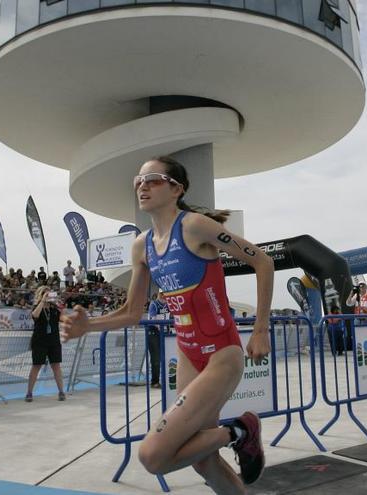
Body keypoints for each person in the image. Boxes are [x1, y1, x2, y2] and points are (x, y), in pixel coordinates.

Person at [61, 156, 272, 492]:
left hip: (221, 354)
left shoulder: (195, 226)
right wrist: (89, 326)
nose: (142, 186)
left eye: (153, 179)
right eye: (138, 180)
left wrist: (260, 330)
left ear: (177, 189)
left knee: (153, 456)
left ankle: (241, 431)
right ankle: (237, 441)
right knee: (202, 459)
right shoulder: (140, 246)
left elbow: (262, 261)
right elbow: (132, 311)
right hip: (189, 354)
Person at [25, 286, 66, 402]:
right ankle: (29, 392)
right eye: (45, 293)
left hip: (54, 340)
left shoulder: (54, 309)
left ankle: (61, 391)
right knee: (36, 366)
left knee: (56, 366)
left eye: (49, 293)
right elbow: (35, 315)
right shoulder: (37, 307)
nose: (47, 295)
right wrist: (43, 301)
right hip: (40, 341)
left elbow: (63, 318)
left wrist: (61, 306)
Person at [146, 292, 169, 388]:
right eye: (162, 294)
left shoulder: (168, 304)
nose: (164, 297)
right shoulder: (154, 304)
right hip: (153, 332)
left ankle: (167, 379)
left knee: (166, 356)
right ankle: (155, 381)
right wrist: (161, 326)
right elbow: (152, 319)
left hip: (163, 331)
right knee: (156, 358)